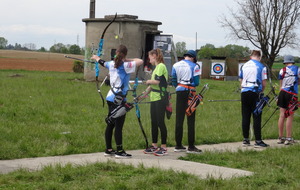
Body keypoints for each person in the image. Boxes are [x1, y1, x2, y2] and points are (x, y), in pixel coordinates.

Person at [91, 45, 143, 158]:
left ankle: (108, 149)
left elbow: (102, 62)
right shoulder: (126, 65)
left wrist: (96, 58)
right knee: (118, 125)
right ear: (125, 54)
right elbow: (140, 61)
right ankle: (119, 151)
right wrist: (126, 59)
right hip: (118, 100)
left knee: (111, 123)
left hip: (110, 97)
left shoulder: (111, 64)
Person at [171, 50, 202, 153]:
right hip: (190, 93)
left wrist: (179, 87)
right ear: (193, 58)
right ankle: (191, 146)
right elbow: (197, 82)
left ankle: (178, 145)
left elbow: (173, 80)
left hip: (180, 91)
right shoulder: (195, 66)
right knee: (190, 119)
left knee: (179, 119)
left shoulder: (175, 65)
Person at [142, 48, 169, 156]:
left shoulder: (161, 66)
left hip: (160, 98)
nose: (149, 59)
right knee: (154, 122)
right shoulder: (156, 68)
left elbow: (157, 82)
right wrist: (143, 94)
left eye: (150, 57)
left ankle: (164, 147)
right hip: (154, 98)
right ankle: (154, 145)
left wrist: (147, 81)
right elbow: (152, 86)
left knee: (160, 122)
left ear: (154, 55)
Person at [239, 50, 269, 147]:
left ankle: (246, 139)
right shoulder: (261, 66)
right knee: (256, 115)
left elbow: (241, 79)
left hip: (244, 92)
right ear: (259, 57)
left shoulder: (244, 65)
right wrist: (261, 92)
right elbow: (264, 83)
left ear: (251, 56)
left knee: (245, 115)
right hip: (255, 92)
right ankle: (258, 141)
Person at [277, 55, 300, 145]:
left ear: (285, 62)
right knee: (289, 116)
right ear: (293, 61)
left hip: (282, 93)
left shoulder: (282, 70)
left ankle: (280, 138)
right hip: (292, 94)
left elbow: (281, 84)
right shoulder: (297, 69)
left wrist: (278, 97)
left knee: (282, 115)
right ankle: (289, 138)